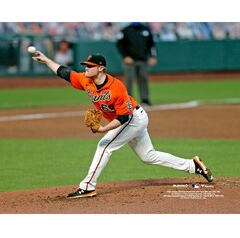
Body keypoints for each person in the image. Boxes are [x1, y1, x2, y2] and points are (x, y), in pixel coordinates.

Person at [32, 51, 213, 198]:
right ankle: (192, 165)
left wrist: (102, 129)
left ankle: (87, 186)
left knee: (104, 145)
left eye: (90, 66)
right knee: (148, 156)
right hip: (130, 119)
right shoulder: (86, 79)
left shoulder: (116, 87)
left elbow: (124, 118)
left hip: (134, 118)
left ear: (101, 68)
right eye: (85, 66)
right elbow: (64, 72)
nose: (86, 69)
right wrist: (47, 60)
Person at [116, 22, 158, 107]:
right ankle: (127, 101)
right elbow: (120, 45)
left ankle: (145, 99)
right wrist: (125, 56)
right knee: (129, 79)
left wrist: (153, 56)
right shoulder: (125, 30)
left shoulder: (146, 30)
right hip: (130, 60)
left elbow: (152, 45)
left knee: (143, 78)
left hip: (143, 60)